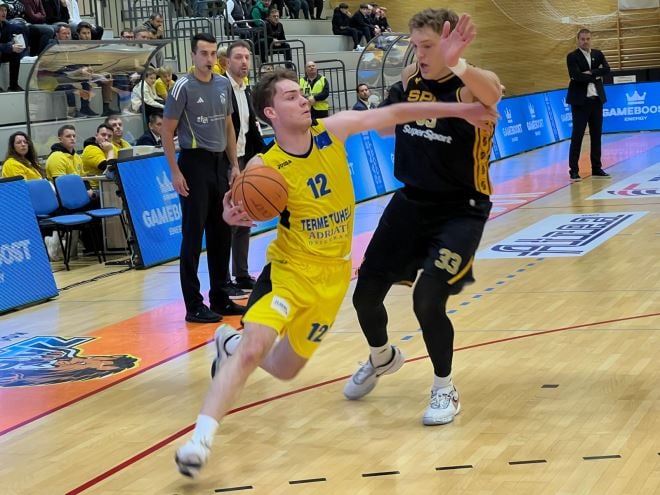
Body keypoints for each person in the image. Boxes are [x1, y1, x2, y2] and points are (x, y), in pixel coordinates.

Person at [173, 68, 498, 477]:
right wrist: (228, 213)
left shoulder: (332, 131)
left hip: (331, 280)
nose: (303, 99)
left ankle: (230, 345)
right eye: (291, 96)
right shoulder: (264, 166)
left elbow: (394, 113)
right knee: (255, 349)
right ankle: (199, 441)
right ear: (270, 112)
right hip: (289, 273)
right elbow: (233, 208)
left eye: (302, 93)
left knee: (285, 369)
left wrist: (462, 109)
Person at [343, 9, 502, 427]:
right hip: (411, 202)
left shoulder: (468, 85)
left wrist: (456, 62)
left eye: (428, 45)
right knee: (364, 295)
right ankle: (381, 357)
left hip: (461, 210)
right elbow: (383, 129)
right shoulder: (411, 79)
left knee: (427, 298)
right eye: (416, 45)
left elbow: (493, 93)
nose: (420, 54)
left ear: (450, 44)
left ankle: (444, 387)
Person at [161, 33, 246, 324]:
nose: (209, 59)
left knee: (222, 233)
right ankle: (193, 304)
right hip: (194, 163)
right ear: (193, 55)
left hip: (219, 164)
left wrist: (233, 164)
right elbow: (166, 132)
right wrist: (175, 172)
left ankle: (220, 297)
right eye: (204, 54)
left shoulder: (223, 84)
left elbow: (228, 126)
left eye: (212, 54)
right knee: (193, 235)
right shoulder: (182, 87)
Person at [223, 40, 266, 298]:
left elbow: (250, 131)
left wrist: (266, 156)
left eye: (247, 57)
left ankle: (241, 273)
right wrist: (231, 165)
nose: (244, 62)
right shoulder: (221, 88)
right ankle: (223, 279)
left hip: (245, 159)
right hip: (226, 162)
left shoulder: (245, 90)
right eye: (239, 57)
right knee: (228, 220)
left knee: (244, 217)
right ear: (227, 61)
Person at [566, 28, 611, 181]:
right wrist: (596, 75)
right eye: (582, 39)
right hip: (580, 102)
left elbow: (607, 69)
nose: (585, 42)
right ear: (578, 40)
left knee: (596, 135)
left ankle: (597, 168)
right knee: (577, 136)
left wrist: (590, 73)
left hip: (596, 100)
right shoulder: (572, 56)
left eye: (588, 39)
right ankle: (573, 170)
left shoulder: (598, 54)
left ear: (591, 39)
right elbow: (576, 76)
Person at [0, 0, 28, 92]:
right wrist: (10, 47)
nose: (4, 13)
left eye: (5, 10)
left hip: (2, 52)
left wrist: (15, 45)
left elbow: (8, 41)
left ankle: (13, 85)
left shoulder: (6, 25)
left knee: (15, 54)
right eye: (1, 10)